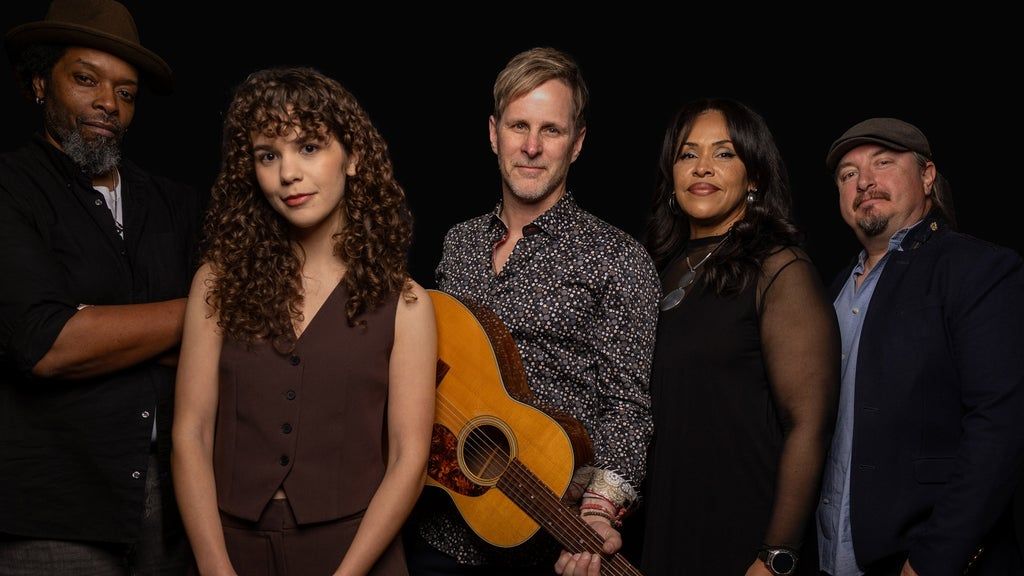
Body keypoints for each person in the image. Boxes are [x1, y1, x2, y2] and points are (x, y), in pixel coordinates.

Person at [405, 46, 660, 576]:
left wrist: (598, 511)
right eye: (519, 126)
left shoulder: (617, 258)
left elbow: (627, 406)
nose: (532, 146)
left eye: (552, 130)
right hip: (439, 529)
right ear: (493, 133)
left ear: (578, 143)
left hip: (545, 543)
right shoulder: (459, 243)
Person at [172, 66, 436, 576]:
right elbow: (191, 432)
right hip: (229, 549)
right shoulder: (216, 283)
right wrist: (214, 566)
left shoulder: (407, 304)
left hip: (356, 552)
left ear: (353, 156)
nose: (287, 173)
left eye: (309, 147)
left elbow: (409, 459)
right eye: (268, 155)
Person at [0, 0, 200, 573]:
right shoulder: (11, 189)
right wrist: (197, 314)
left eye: (126, 92)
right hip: (55, 509)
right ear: (41, 83)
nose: (109, 103)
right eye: (86, 79)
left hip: (175, 503)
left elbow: (234, 339)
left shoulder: (174, 203)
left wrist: (95, 323)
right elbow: (45, 345)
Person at [639, 97, 839, 575]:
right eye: (688, 154)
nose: (702, 167)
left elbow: (809, 424)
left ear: (754, 177)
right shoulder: (656, 270)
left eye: (724, 153)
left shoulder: (779, 269)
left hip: (743, 534)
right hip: (666, 523)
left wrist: (775, 555)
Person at [817, 118, 1024, 576]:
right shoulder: (829, 293)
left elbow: (1000, 427)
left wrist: (931, 561)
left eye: (883, 163)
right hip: (833, 560)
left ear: (927, 175)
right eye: (848, 174)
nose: (864, 182)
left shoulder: (978, 270)